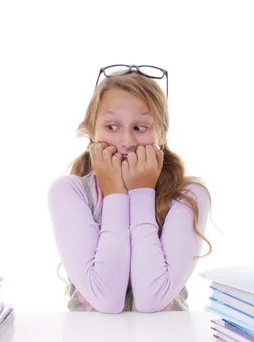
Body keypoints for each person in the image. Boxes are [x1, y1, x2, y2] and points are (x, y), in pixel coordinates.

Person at [47, 64, 213, 314]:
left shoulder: (188, 195)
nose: (125, 142)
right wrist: (115, 194)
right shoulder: (69, 192)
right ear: (92, 131)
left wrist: (142, 193)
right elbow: (106, 300)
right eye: (111, 127)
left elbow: (152, 300)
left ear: (162, 133)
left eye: (140, 128)